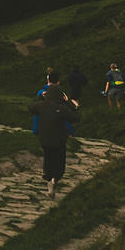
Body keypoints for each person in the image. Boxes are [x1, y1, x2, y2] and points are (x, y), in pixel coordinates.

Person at [31, 68, 81, 197]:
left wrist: (40, 99)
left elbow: (31, 107)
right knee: (59, 160)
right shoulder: (62, 108)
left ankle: (48, 177)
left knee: (48, 157)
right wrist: (70, 103)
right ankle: (54, 179)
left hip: (44, 137)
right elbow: (75, 118)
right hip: (59, 139)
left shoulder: (42, 105)